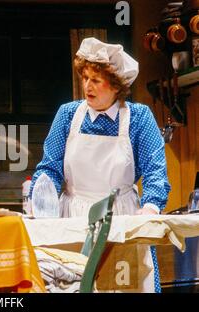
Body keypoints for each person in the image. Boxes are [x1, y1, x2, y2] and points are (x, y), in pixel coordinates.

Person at [29, 37, 171, 292]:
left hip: (122, 217)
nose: (87, 86)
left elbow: (155, 171)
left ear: (116, 85)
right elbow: (49, 167)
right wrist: (39, 197)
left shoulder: (139, 118)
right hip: (72, 218)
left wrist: (150, 208)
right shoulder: (68, 114)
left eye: (95, 80)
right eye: (84, 78)